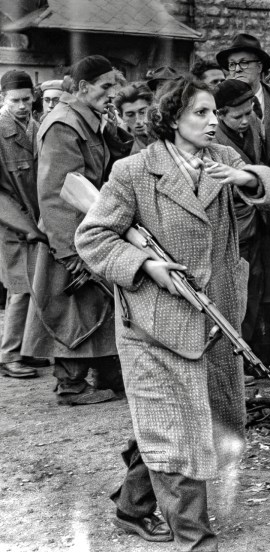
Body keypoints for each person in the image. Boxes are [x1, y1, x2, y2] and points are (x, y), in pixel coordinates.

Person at [75, 75, 270, 551]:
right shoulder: (133, 171)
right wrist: (146, 264)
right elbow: (93, 237)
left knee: (196, 417)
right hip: (156, 319)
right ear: (172, 118)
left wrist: (248, 177)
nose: (214, 121)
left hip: (216, 316)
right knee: (174, 428)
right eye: (201, 113)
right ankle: (194, 538)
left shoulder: (224, 161)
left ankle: (131, 508)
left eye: (216, 113)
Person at [23, 55, 126, 405]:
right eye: (106, 86)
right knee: (70, 311)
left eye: (115, 86)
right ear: (82, 88)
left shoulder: (87, 118)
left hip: (88, 229)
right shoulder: (64, 125)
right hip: (68, 236)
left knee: (93, 308)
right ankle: (71, 385)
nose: (113, 93)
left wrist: (113, 128)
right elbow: (55, 193)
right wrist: (69, 251)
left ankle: (103, 374)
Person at [217, 34, 270, 372]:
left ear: (261, 67)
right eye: (230, 65)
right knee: (247, 286)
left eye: (243, 63)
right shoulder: (219, 109)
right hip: (243, 211)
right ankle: (251, 355)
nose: (235, 70)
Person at [212, 78, 270, 354]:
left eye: (249, 112)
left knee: (254, 293)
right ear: (220, 114)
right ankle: (232, 356)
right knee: (233, 296)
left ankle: (245, 355)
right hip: (231, 227)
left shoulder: (255, 125)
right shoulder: (213, 140)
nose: (246, 121)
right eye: (238, 116)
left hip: (257, 223)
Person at [0, 70, 41, 379]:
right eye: (15, 100)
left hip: (38, 222)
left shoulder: (37, 128)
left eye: (27, 99)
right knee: (20, 289)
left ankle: (30, 350)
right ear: (4, 99)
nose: (22, 106)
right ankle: (10, 355)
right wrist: (22, 223)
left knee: (39, 286)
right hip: (12, 223)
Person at [113, 82, 154, 154]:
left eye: (143, 112)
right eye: (130, 115)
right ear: (121, 117)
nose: (138, 120)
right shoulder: (123, 152)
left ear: (152, 109)